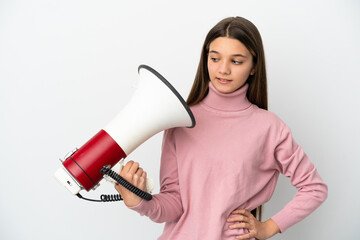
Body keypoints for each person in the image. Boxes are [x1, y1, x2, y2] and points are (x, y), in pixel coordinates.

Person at [114, 16, 328, 240]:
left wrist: (270, 227)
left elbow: (314, 188)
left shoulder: (270, 127)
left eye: (236, 61)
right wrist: (138, 201)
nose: (223, 69)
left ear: (254, 66)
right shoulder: (179, 120)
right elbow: (175, 204)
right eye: (215, 58)